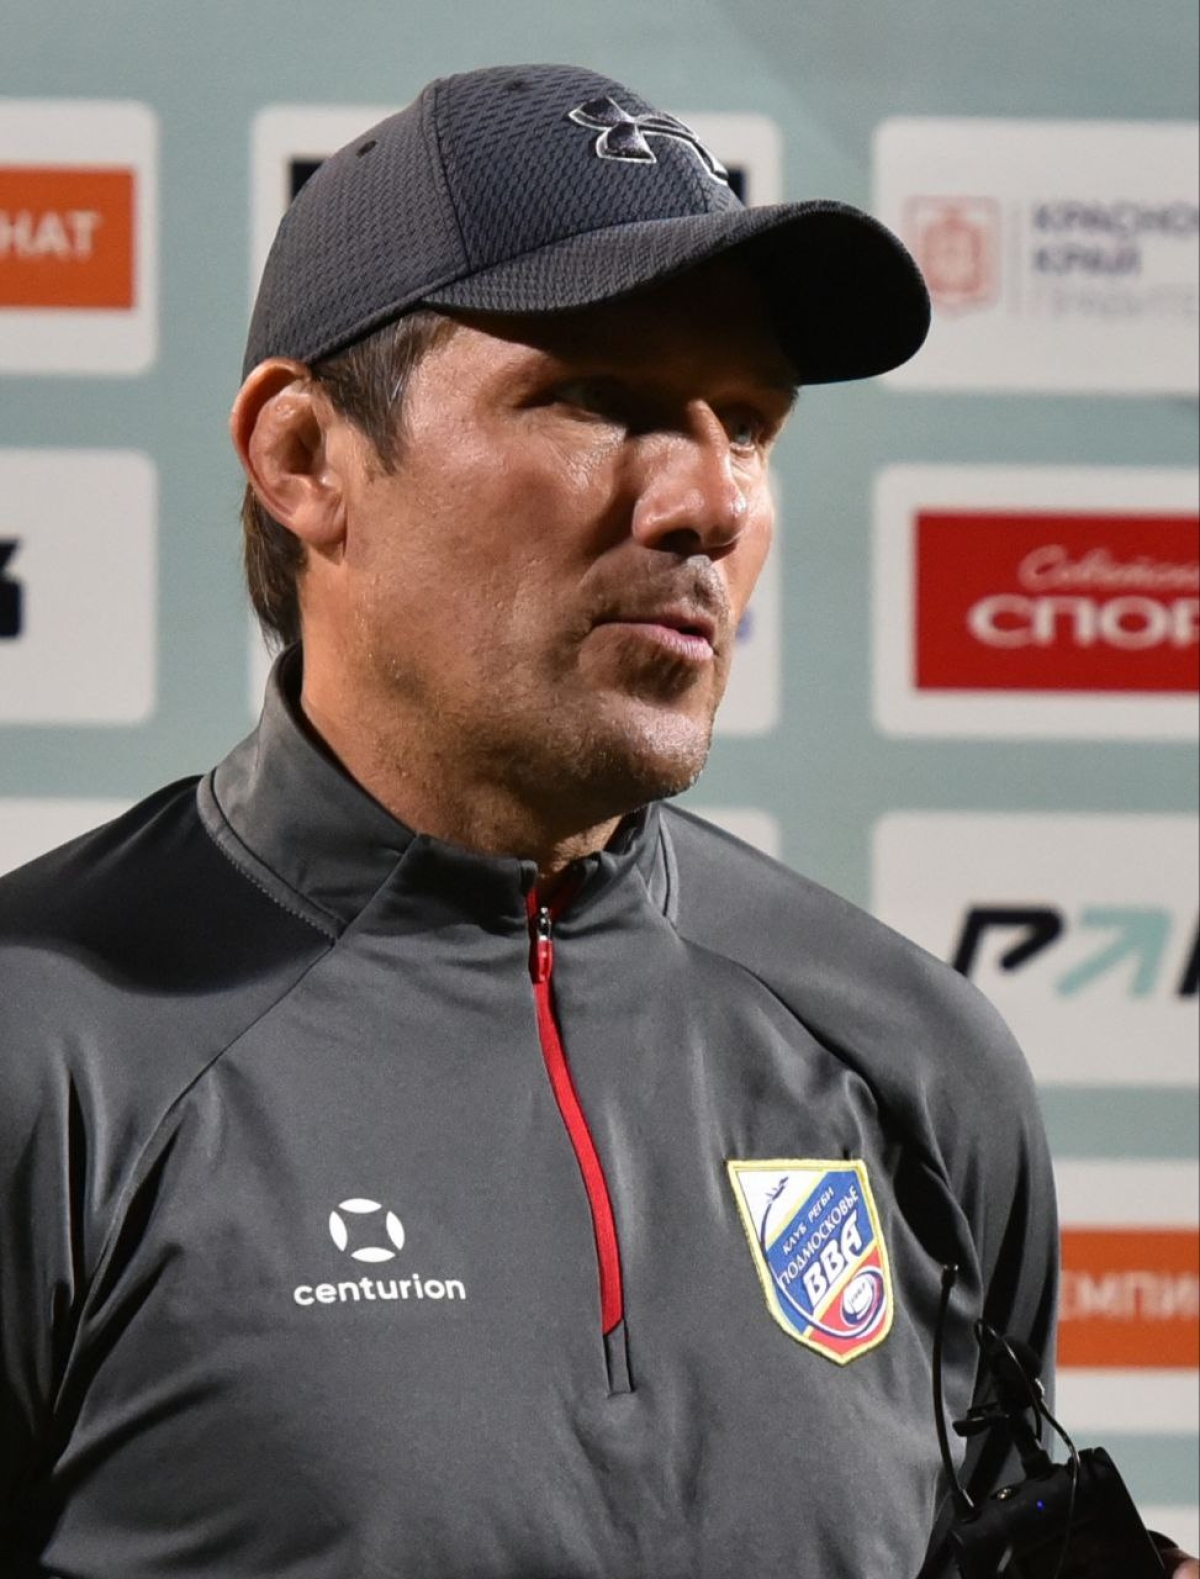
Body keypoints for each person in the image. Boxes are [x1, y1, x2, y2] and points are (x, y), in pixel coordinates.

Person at [0, 61, 1192, 1579]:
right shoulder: (44, 1048)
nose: (710, 501)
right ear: (305, 457)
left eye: (746, 424)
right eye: (596, 400)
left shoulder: (912, 1056)